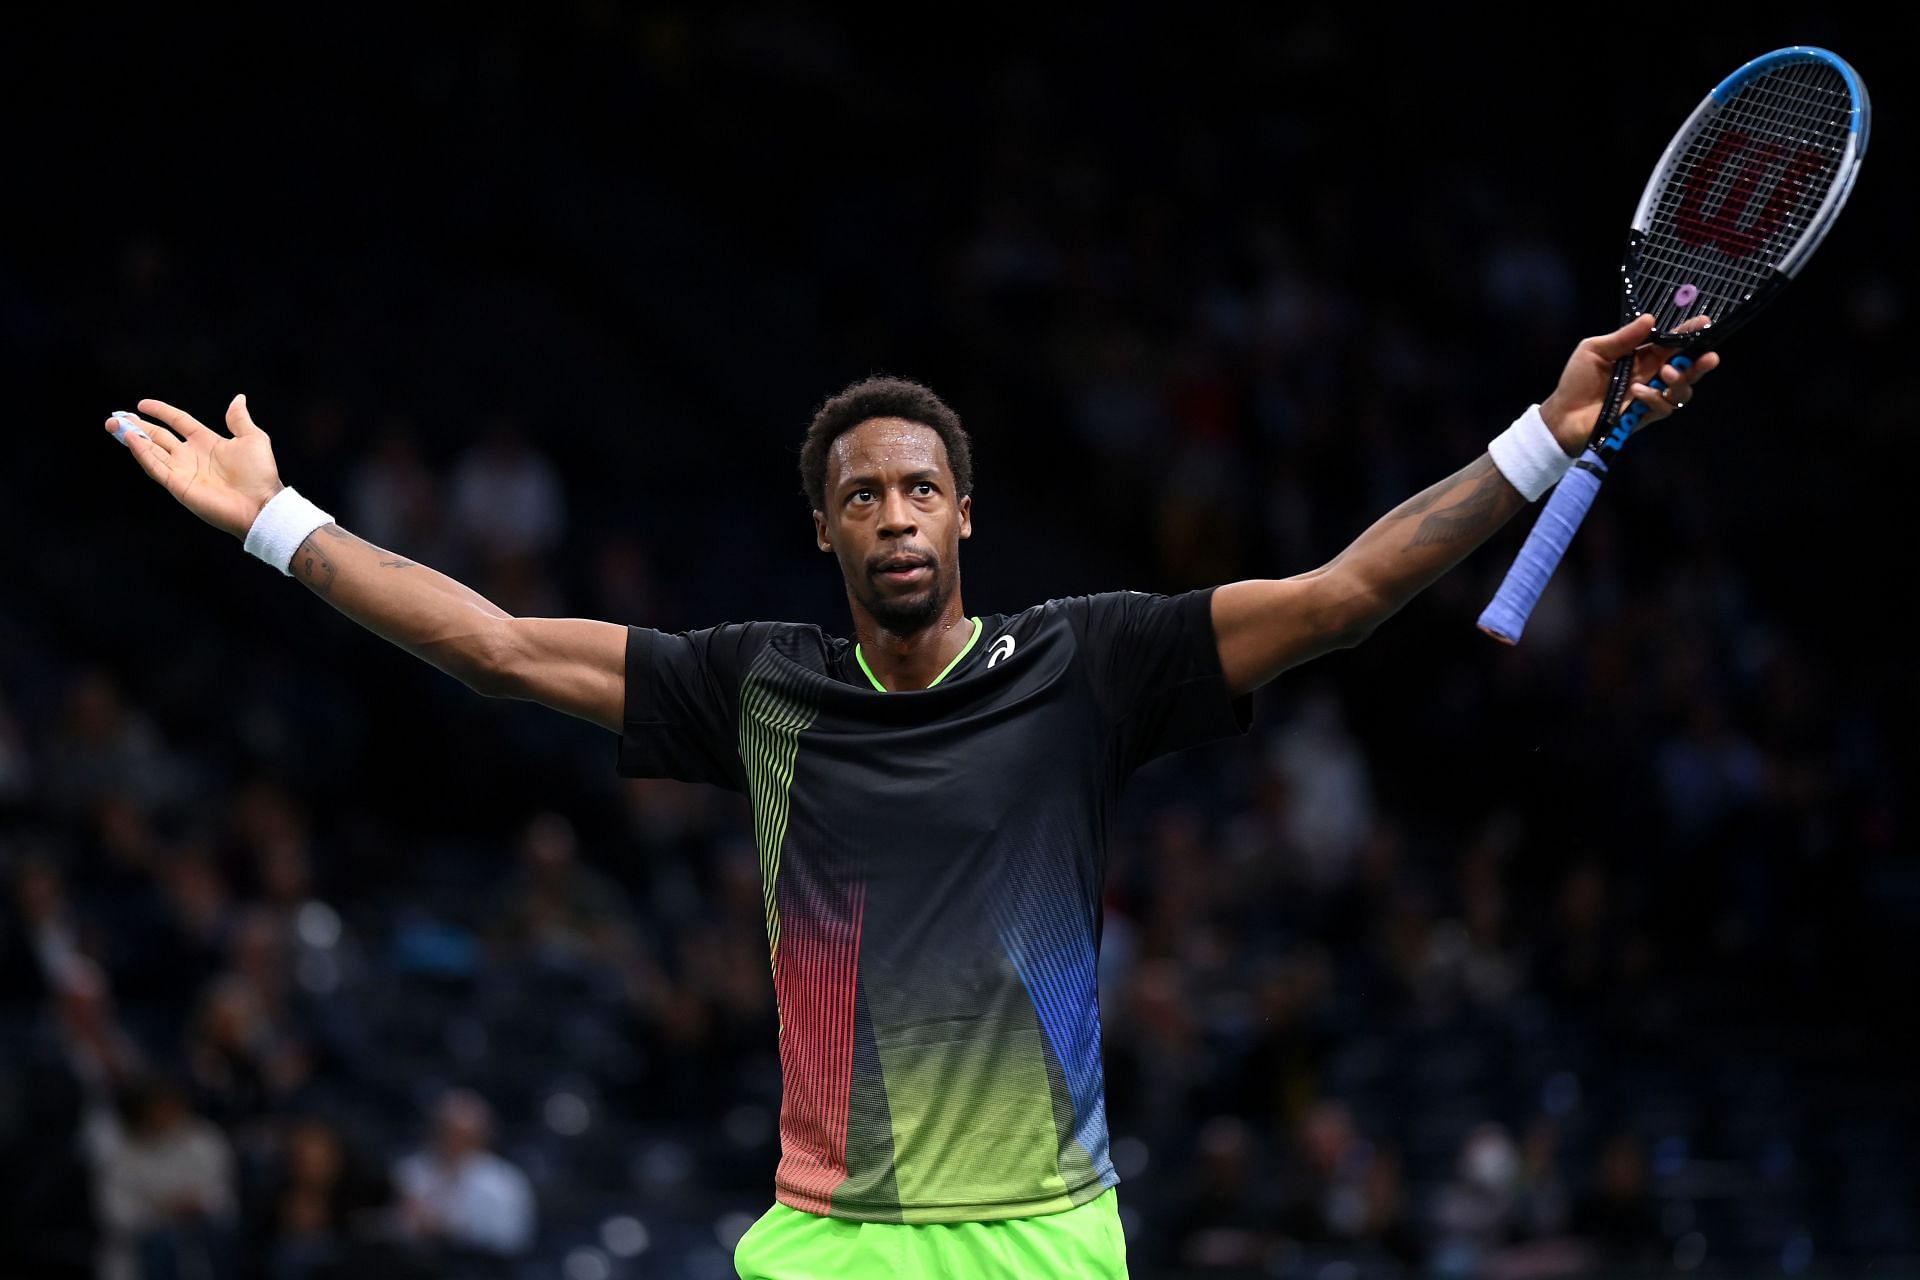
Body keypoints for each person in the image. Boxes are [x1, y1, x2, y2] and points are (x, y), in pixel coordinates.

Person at [103, 312, 1716, 1277]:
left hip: (1042, 1231)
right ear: (825, 532)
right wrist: (276, 519)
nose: (893, 515)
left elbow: (1346, 589)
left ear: (964, 517)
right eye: (860, 493)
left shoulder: (1090, 664)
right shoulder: (758, 688)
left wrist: (1542, 435)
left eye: (919, 488)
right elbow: (499, 643)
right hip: (832, 1238)